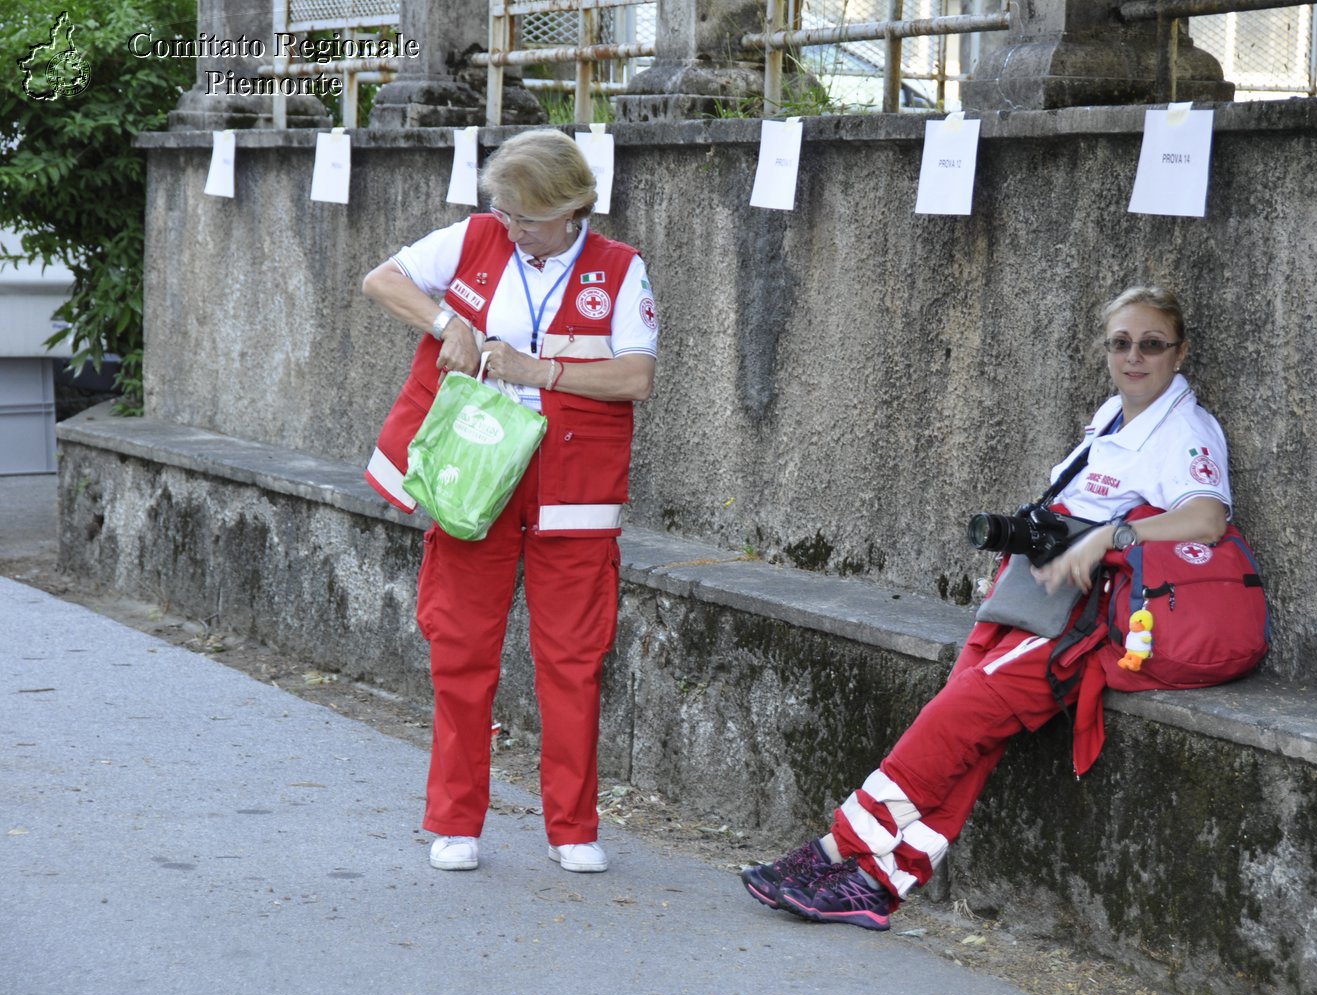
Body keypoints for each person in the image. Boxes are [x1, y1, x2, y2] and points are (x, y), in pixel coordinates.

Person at [739, 285, 1230, 929]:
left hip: (1083, 620)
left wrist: (1114, 536)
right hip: (1035, 591)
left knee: (957, 719)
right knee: (965, 736)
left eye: (1151, 344)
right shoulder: (1114, 414)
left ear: (1179, 351)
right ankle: (876, 885)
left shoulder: (1187, 429)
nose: (1134, 357)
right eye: (1120, 343)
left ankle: (833, 850)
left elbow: (1208, 518)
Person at [361, 129, 658, 875]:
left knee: (573, 659)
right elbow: (383, 279)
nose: (511, 227)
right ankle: (456, 819)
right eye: (505, 213)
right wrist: (447, 323)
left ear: (570, 209)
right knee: (460, 648)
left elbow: (634, 379)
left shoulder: (620, 270)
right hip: (475, 474)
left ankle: (572, 826)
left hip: (573, 491)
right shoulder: (476, 238)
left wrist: (540, 369)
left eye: (525, 216)